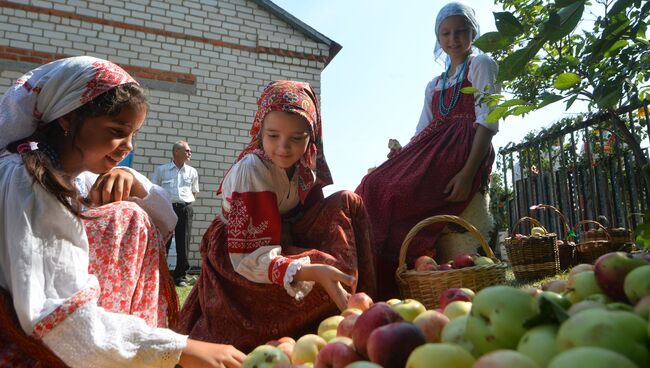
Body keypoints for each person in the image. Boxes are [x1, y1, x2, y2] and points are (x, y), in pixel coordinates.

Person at [0, 56, 245, 367]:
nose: (127, 146)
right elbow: (53, 312)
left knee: (135, 214)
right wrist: (176, 348)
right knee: (127, 218)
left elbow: (165, 219)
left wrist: (135, 182)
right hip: (48, 342)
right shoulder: (27, 179)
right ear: (66, 119)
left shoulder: (75, 177)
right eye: (117, 130)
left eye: (133, 135)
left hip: (72, 334)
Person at [175, 80, 377, 352]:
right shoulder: (253, 169)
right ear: (260, 131)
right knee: (322, 269)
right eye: (272, 136)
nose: (284, 148)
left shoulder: (307, 162)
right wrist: (309, 269)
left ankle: (362, 312)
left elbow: (312, 210)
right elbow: (247, 255)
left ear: (311, 136)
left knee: (347, 201)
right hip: (241, 252)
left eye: (297, 138)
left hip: (280, 234)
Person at [355, 2, 499, 299]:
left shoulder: (482, 64)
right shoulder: (435, 84)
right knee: (373, 184)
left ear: (473, 33)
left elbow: (489, 120)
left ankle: (414, 256)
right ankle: (378, 278)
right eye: (446, 33)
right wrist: (399, 160)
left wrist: (467, 173)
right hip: (432, 148)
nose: (453, 39)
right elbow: (422, 131)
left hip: (463, 147)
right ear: (438, 38)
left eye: (461, 31)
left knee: (395, 192)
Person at [152, 140, 200, 286]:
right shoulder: (162, 170)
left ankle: (180, 276)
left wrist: (183, 203)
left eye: (189, 150)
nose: (189, 153)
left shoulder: (192, 172)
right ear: (176, 152)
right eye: (187, 150)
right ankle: (159, 275)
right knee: (163, 242)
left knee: (183, 243)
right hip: (166, 208)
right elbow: (154, 189)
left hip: (185, 209)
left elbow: (194, 192)